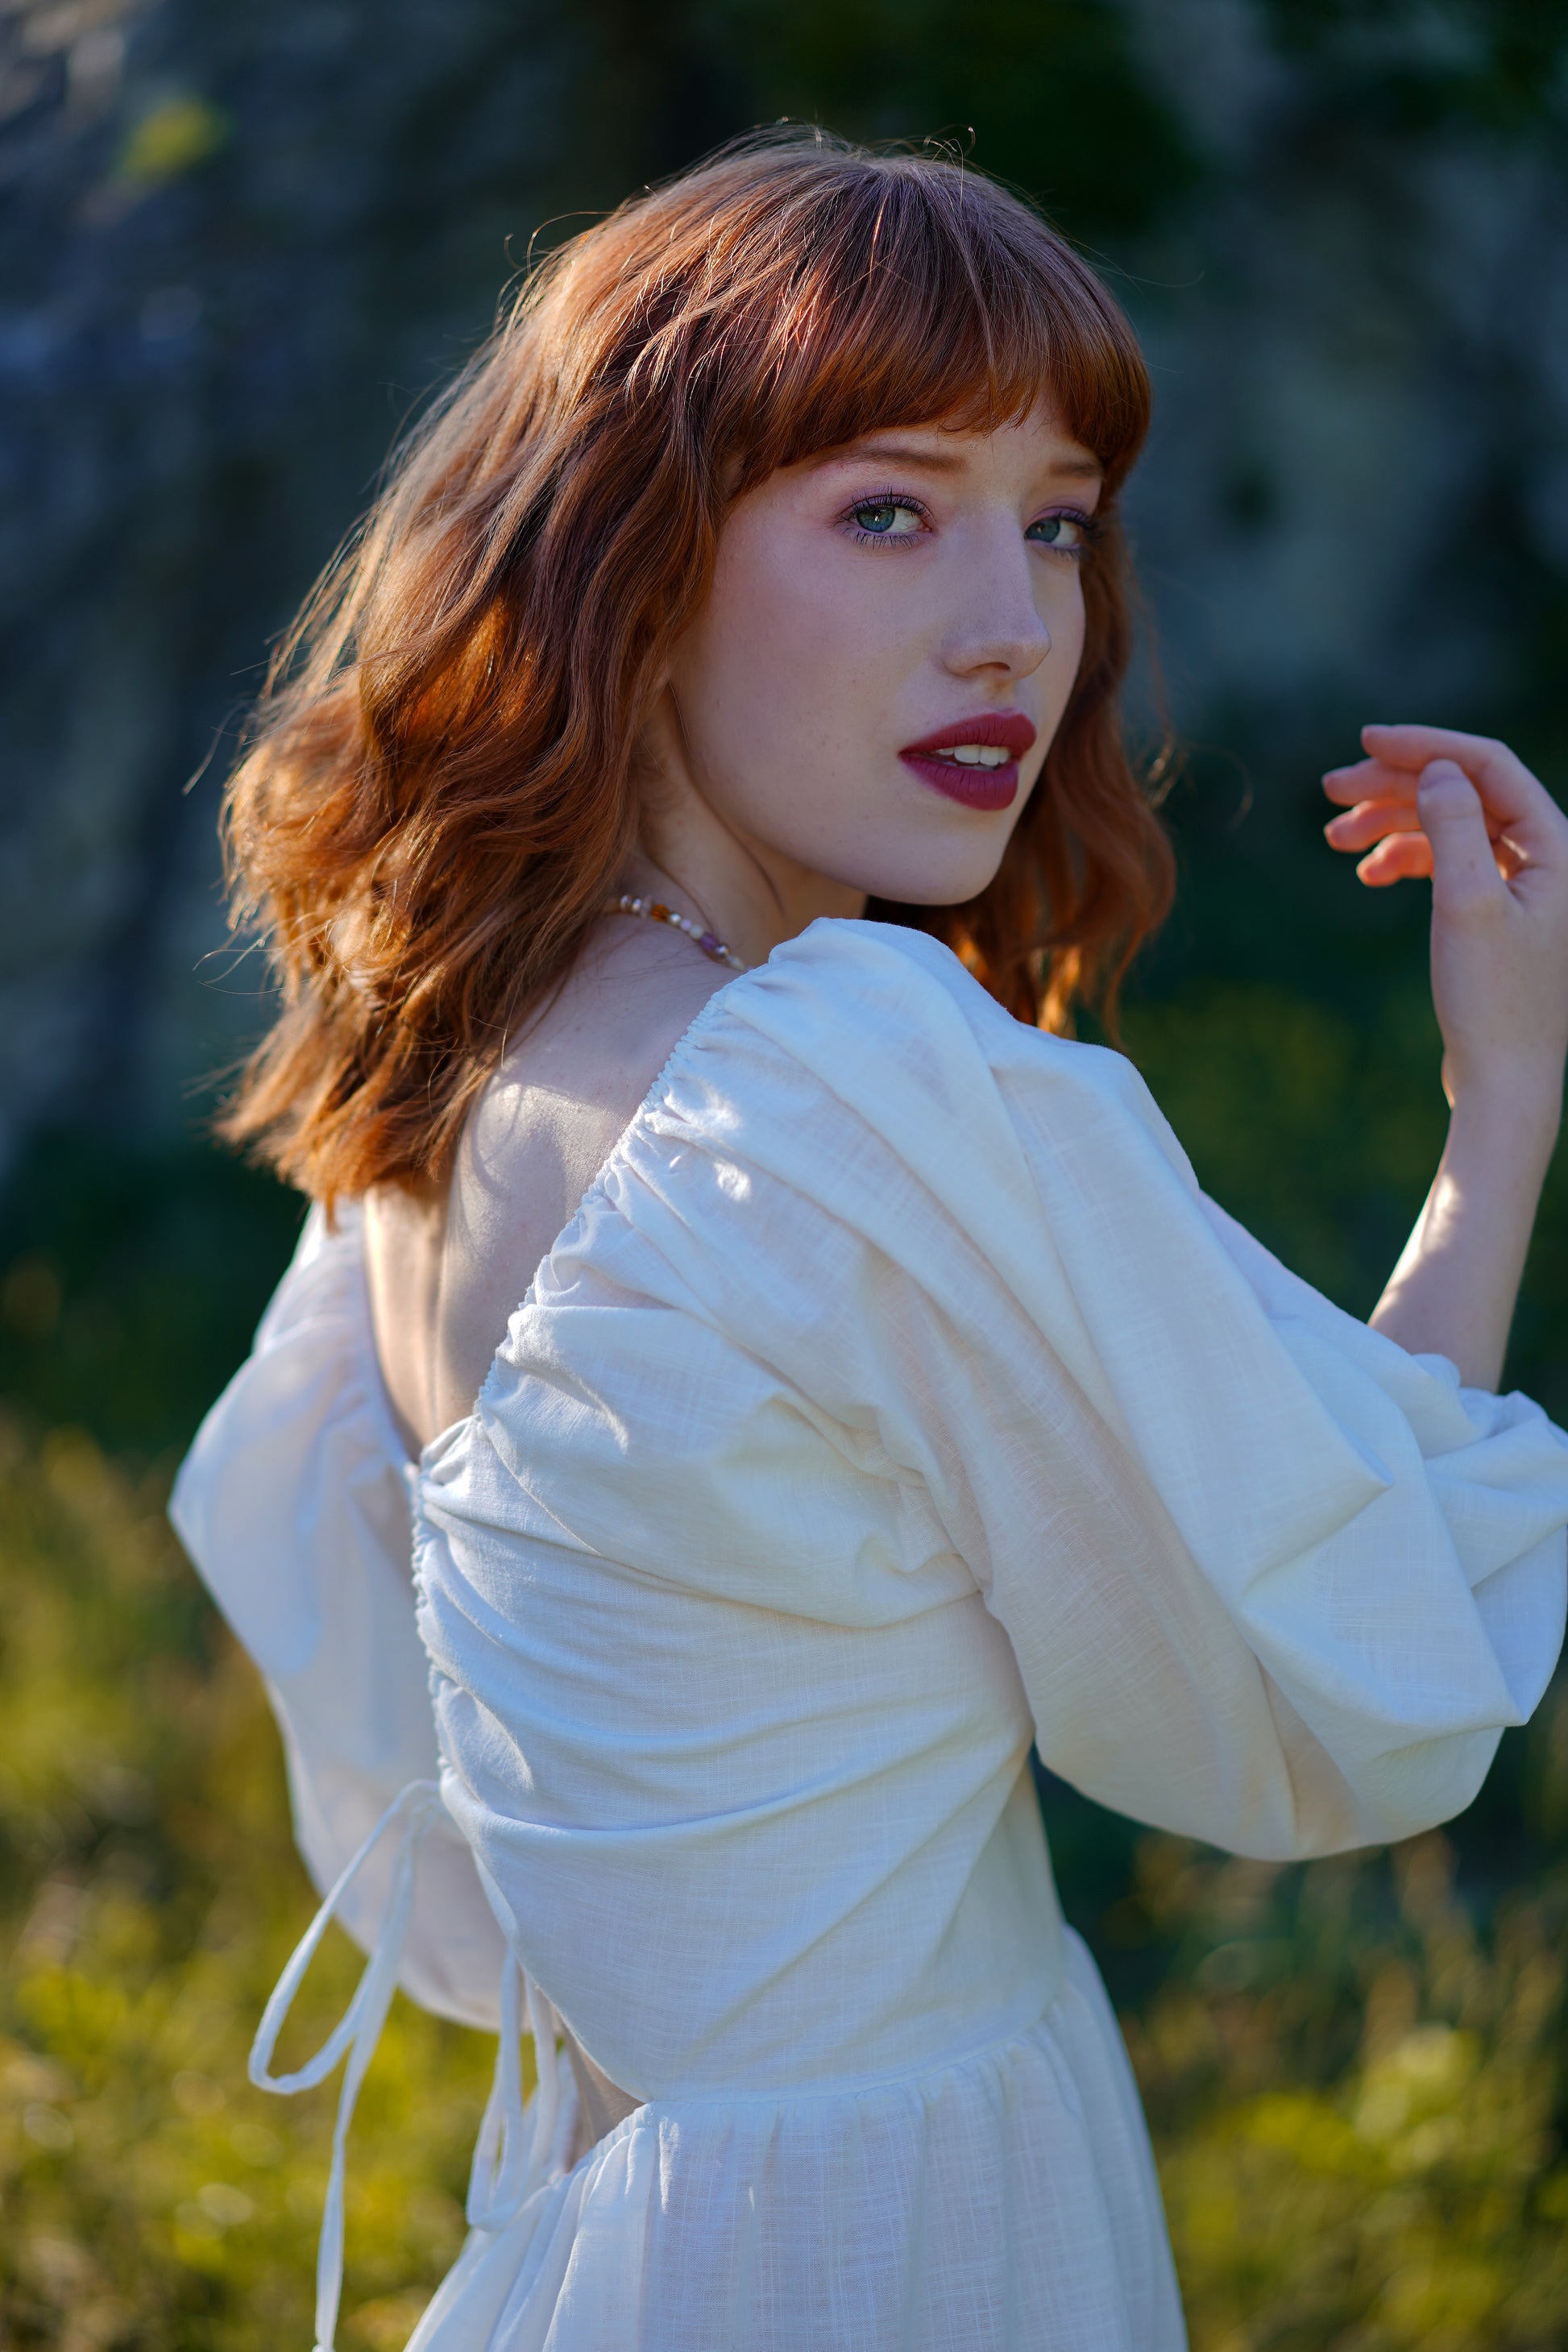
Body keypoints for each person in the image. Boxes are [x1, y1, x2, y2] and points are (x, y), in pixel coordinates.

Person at [170, 130, 1568, 2352]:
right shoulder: (817, 1090)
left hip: (616, 2230)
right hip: (889, 2246)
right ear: (634, 558)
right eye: (890, 511)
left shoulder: (450, 1060)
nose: (1016, 625)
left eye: (1059, 522)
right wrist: (1498, 1112)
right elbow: (1352, 1681)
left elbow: (357, 1661)